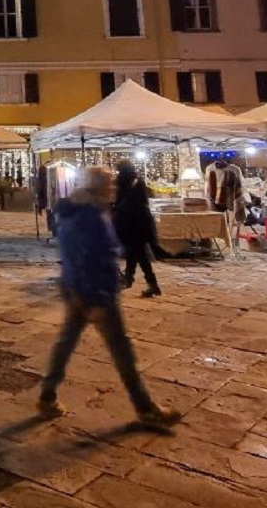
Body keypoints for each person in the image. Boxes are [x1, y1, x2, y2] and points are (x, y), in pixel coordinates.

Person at [39, 165, 179, 427]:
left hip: (79, 287)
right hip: (95, 291)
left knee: (67, 343)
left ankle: (47, 396)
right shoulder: (88, 216)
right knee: (122, 351)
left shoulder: (79, 209)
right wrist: (96, 295)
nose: (114, 186)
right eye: (109, 182)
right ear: (98, 186)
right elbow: (89, 256)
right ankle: (145, 407)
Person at [112, 161, 162, 297]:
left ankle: (153, 285)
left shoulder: (123, 182)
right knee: (133, 252)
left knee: (140, 255)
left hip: (130, 224)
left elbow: (122, 203)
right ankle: (128, 279)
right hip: (141, 223)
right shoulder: (137, 180)